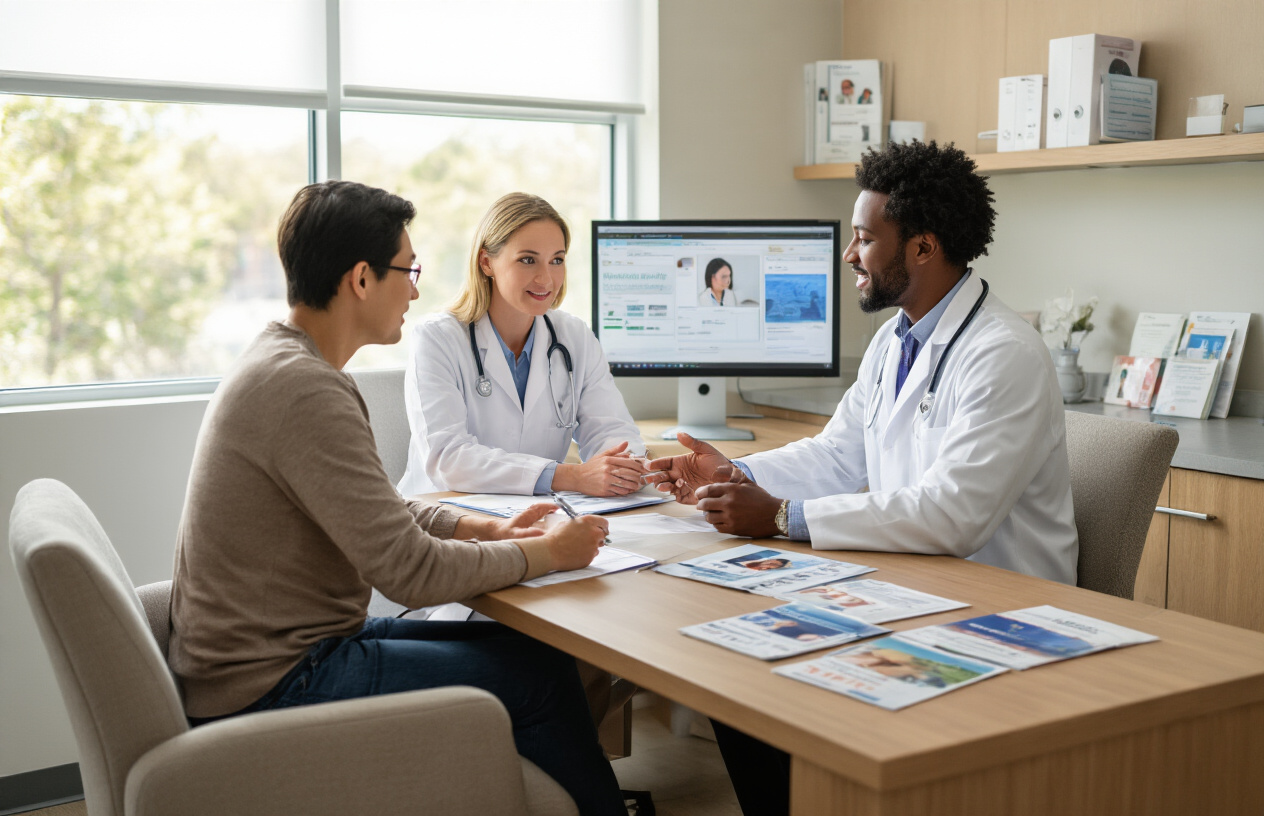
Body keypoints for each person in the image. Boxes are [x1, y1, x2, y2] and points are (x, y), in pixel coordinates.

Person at [645, 141, 1078, 816]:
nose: (849, 254)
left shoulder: (1003, 354)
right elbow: (839, 457)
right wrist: (734, 473)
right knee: (733, 674)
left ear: (924, 247)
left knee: (772, 687)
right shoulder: (895, 338)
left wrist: (782, 516)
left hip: (995, 610)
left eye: (865, 239)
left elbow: (954, 515)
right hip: (909, 588)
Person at [169, 180, 627, 816]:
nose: (415, 290)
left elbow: (380, 506)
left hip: (285, 653)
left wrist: (484, 530)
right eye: (407, 270)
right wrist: (550, 553)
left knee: (535, 655)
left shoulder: (288, 364)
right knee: (541, 681)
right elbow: (411, 573)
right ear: (362, 279)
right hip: (279, 680)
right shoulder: (307, 391)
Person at [397, 192, 648, 497]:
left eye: (557, 260)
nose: (546, 279)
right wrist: (571, 476)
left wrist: (627, 467)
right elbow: (448, 458)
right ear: (486, 262)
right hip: (446, 512)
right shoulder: (437, 339)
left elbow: (613, 431)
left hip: (541, 513)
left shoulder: (575, 337)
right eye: (528, 260)